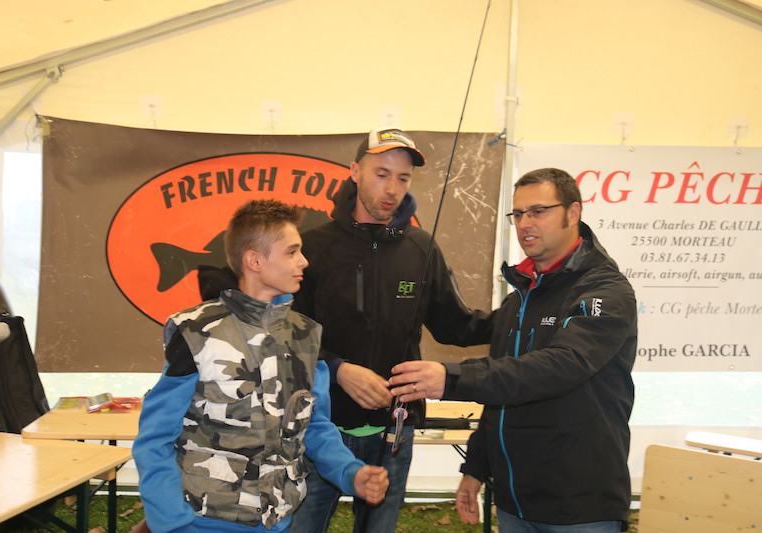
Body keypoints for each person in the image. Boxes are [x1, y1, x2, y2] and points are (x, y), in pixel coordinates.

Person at [390, 168, 637, 532]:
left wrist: (452, 378)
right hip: (513, 503)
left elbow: (563, 365)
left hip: (580, 507)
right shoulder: (521, 295)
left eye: (538, 211)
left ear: (573, 213)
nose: (525, 224)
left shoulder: (605, 290)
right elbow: (502, 391)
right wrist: (476, 468)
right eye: (518, 214)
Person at [133, 199, 389, 533]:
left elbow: (315, 426)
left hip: (278, 521)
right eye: (292, 252)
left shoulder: (307, 336)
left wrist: (350, 472)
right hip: (200, 522)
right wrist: (171, 522)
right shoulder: (197, 332)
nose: (304, 261)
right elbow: (154, 438)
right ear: (254, 261)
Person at [290, 128, 494, 533]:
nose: (392, 189)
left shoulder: (421, 248)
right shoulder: (310, 247)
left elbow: (455, 324)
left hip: (393, 430)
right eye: (381, 174)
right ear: (355, 171)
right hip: (318, 428)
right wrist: (338, 369)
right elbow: (287, 333)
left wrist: (519, 315)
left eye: (403, 178)